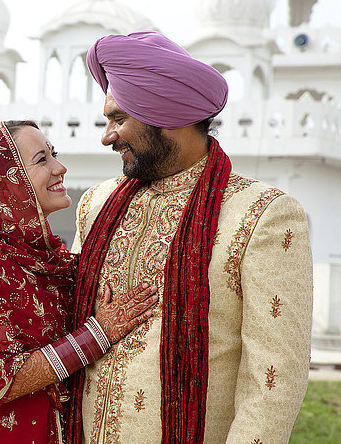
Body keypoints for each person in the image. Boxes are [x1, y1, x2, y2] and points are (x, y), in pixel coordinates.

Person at [65, 31, 313, 443]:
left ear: (168, 114)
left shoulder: (262, 214)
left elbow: (272, 381)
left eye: (118, 118)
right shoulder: (97, 203)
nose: (107, 137)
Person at [0, 121, 159, 442]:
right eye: (42, 160)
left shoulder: (49, 257)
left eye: (53, 154)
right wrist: (99, 334)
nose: (60, 167)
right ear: (2, 184)